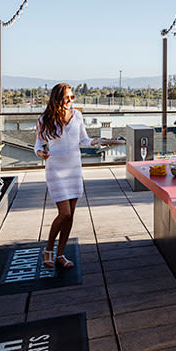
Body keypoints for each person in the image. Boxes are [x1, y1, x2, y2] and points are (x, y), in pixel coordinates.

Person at [34, 83, 124, 269]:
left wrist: (98, 141)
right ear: (57, 99)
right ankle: (48, 249)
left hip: (74, 168)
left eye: (72, 97)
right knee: (64, 213)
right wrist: (41, 153)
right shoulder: (44, 119)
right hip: (55, 169)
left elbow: (84, 140)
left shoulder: (77, 116)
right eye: (67, 97)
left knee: (70, 215)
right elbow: (38, 145)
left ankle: (60, 254)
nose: (70, 100)